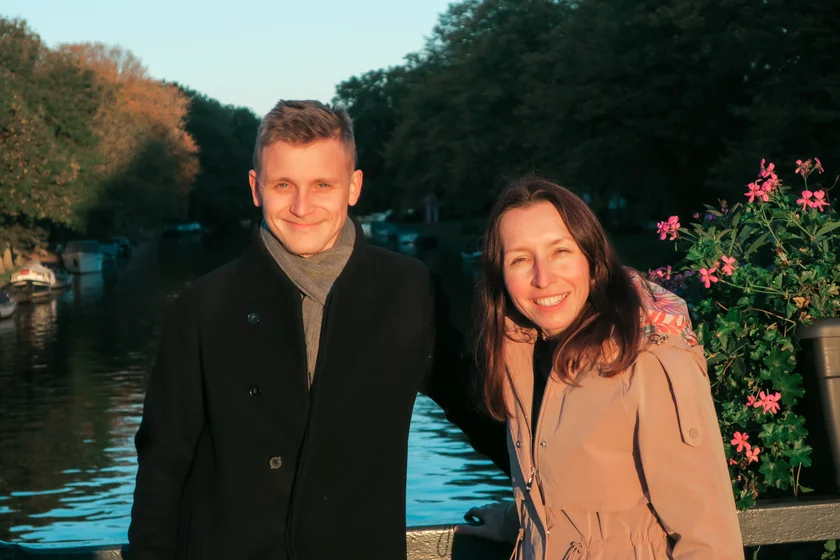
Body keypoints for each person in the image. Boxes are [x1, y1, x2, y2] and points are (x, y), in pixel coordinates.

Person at [127, 100, 508, 560]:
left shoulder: (408, 290)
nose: (301, 207)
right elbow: (163, 460)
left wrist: (556, 499)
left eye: (322, 185)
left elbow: (479, 410)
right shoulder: (202, 306)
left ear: (354, 187)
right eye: (283, 185)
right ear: (255, 188)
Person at [455, 177, 744, 559]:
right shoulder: (523, 357)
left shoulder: (648, 362)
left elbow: (710, 541)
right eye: (521, 259)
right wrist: (516, 521)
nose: (543, 278)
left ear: (592, 260)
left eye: (560, 251)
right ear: (500, 276)